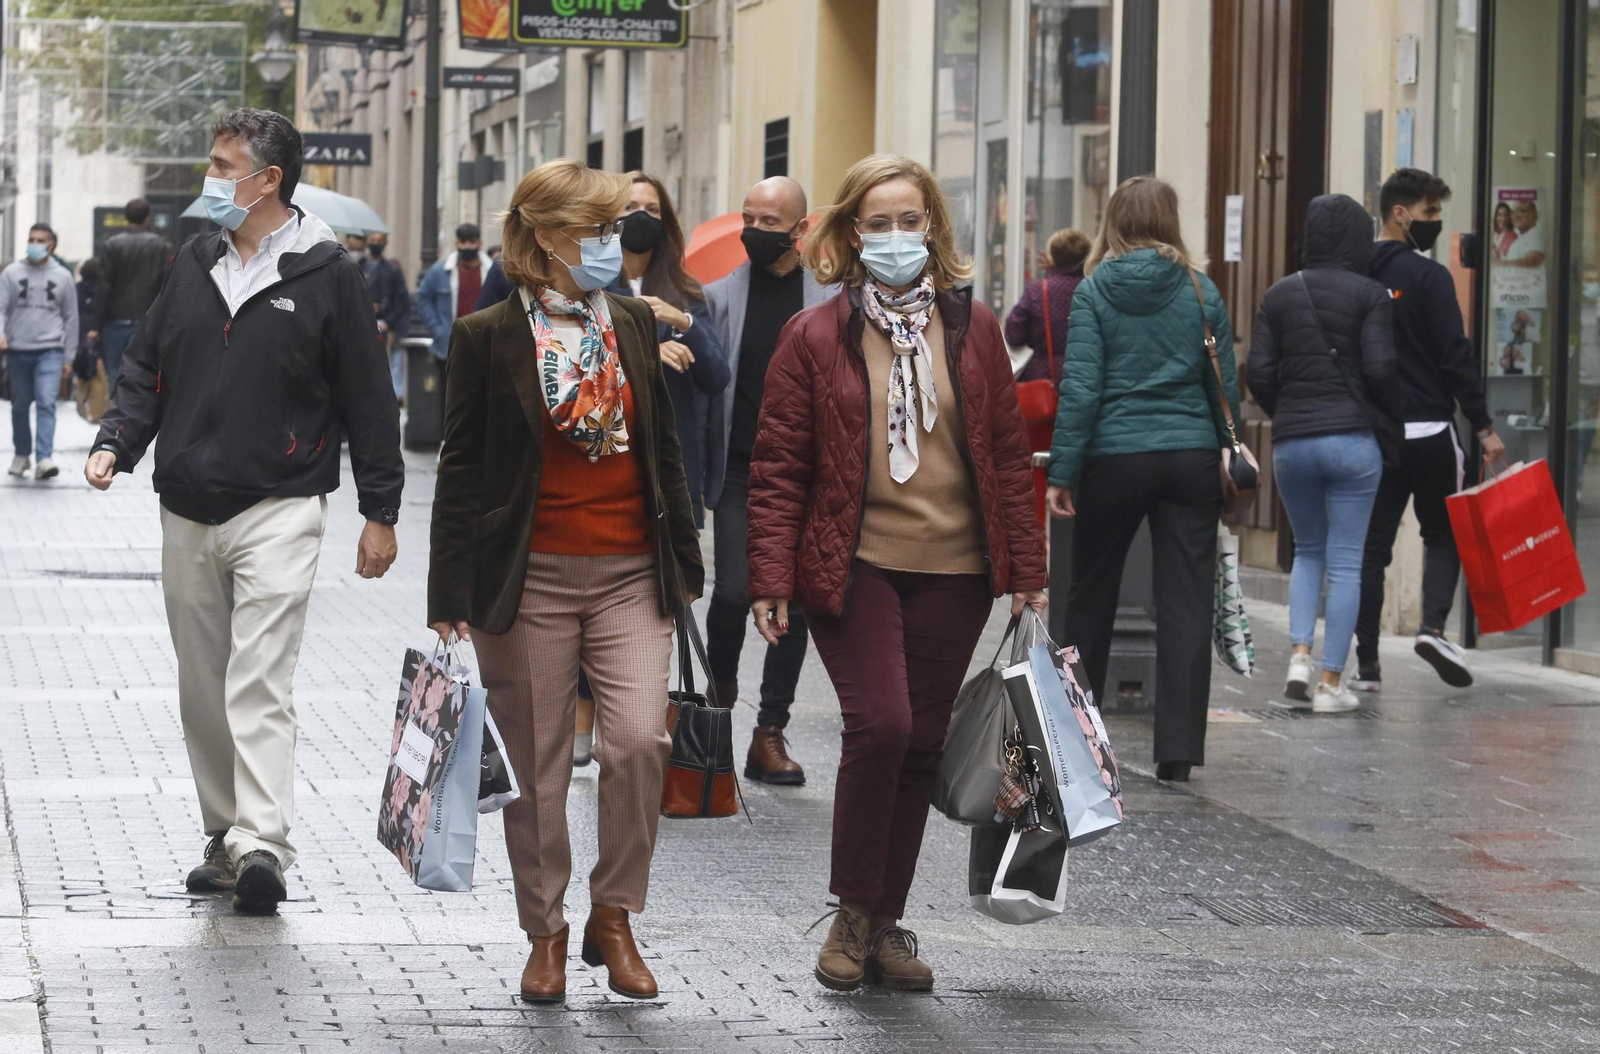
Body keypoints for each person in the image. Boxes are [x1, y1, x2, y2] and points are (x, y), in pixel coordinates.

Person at [83, 108, 403, 913]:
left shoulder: (328, 272)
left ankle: (263, 841)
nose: (211, 177)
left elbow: (369, 396)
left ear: (267, 180)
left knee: (259, 678)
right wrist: (117, 441)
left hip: (281, 504)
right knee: (203, 684)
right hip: (188, 506)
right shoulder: (192, 261)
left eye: (223, 164)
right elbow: (146, 364)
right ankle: (224, 836)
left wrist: (381, 508)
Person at [746, 154, 1046, 993]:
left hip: (956, 570)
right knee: (878, 725)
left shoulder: (976, 329)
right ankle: (849, 908)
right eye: (875, 223)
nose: (893, 238)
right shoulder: (812, 336)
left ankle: (885, 925)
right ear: (847, 234)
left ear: (933, 230)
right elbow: (777, 468)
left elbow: (1006, 456)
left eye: (908, 221)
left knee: (920, 742)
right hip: (855, 565)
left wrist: (1028, 569)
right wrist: (771, 575)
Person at [427, 158, 703, 1005]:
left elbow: (661, 451)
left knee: (635, 744)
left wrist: (687, 563)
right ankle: (544, 931)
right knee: (541, 770)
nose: (615, 244)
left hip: (630, 573)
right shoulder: (485, 336)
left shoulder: (629, 321)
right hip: (529, 577)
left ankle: (614, 915)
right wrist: (449, 600)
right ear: (545, 236)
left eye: (619, 228)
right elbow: (461, 467)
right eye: (599, 230)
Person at [1045, 175, 1241, 783]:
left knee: (1089, 594)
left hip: (1115, 456)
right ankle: (1177, 752)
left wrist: (1064, 469)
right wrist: (1226, 450)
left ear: (1114, 221)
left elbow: (1081, 388)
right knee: (1186, 599)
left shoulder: (1094, 289)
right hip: (1189, 456)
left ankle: (1079, 739)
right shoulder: (1199, 288)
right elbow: (1223, 386)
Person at [703, 175, 836, 786]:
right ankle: (721, 692)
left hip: (806, 474)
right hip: (737, 468)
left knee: (795, 602)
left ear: (801, 230)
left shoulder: (830, 302)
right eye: (747, 220)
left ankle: (770, 731)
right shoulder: (718, 298)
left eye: (767, 224)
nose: (753, 233)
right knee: (731, 592)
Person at [1247, 194, 1404, 712]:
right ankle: (1333, 684)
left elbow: (1261, 374)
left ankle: (1298, 657)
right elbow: (1381, 370)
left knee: (1308, 553)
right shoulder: (1372, 293)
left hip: (1293, 442)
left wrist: (1287, 410)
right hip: (1354, 440)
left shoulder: (1278, 294)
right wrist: (1384, 416)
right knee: (1347, 562)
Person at [1356, 168, 1505, 692]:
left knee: (1372, 550)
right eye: (1431, 213)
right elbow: (1454, 357)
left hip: (1375, 437)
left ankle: (1367, 664)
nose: (1437, 223)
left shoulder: (1355, 276)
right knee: (1445, 534)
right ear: (1402, 214)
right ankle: (1433, 629)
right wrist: (1483, 426)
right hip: (1432, 433)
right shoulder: (1429, 278)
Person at [613, 171, 729, 526]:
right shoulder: (587, 286)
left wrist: (685, 323)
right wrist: (648, 355)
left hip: (674, 463)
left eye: (652, 209)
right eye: (630, 207)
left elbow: (716, 376)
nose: (640, 216)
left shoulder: (685, 292)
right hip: (613, 459)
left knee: (680, 579)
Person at [2, 223, 77, 480]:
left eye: (39, 240)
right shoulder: (11, 273)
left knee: (46, 403)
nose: (33, 244)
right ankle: (22, 454)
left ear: (51, 245)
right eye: (31, 239)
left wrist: (69, 356)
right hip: (18, 349)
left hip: (50, 350)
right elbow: (1, 307)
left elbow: (71, 318)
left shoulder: (63, 277)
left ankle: (44, 458)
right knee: (20, 406)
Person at [88, 199, 172, 402]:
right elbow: (166, 285)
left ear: (126, 217)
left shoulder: (112, 245)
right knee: (143, 374)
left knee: (115, 373)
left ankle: (118, 420)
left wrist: (95, 326)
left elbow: (104, 287)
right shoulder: (160, 246)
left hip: (114, 320)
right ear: (147, 216)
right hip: (146, 320)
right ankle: (136, 416)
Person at [1004, 227, 1090, 384]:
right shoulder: (1092, 288)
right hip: (1083, 377)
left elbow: (1013, 334)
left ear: (1053, 256)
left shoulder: (1038, 291)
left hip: (1042, 379)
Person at [417, 223, 485, 369]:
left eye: (471, 242)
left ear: (479, 243)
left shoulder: (490, 271)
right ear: (456, 243)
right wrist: (437, 329)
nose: (467, 247)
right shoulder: (439, 271)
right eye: (463, 242)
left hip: (482, 342)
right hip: (448, 344)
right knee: (447, 390)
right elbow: (423, 297)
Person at [360, 232, 411, 400]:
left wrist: (389, 322)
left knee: (392, 364)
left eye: (379, 241)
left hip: (387, 324)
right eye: (373, 240)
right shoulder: (359, 265)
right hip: (363, 322)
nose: (376, 244)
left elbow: (402, 298)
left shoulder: (392, 268)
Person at [1502, 201, 1546, 268]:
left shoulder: (1536, 233)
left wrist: (1498, 263)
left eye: (1521, 211)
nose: (1515, 216)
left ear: (1534, 215)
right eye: (1512, 213)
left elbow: (1533, 261)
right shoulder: (1521, 238)